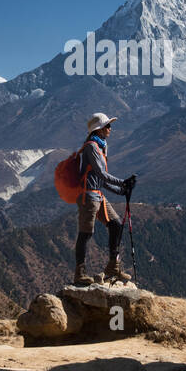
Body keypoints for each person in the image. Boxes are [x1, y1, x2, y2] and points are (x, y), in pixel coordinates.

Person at [73, 112, 137, 286]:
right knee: (86, 233)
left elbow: (99, 178)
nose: (110, 128)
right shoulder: (91, 147)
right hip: (88, 195)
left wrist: (120, 190)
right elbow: (101, 173)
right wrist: (123, 183)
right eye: (107, 126)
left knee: (116, 224)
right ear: (99, 129)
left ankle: (113, 267)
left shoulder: (101, 146)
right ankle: (80, 274)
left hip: (97, 195)